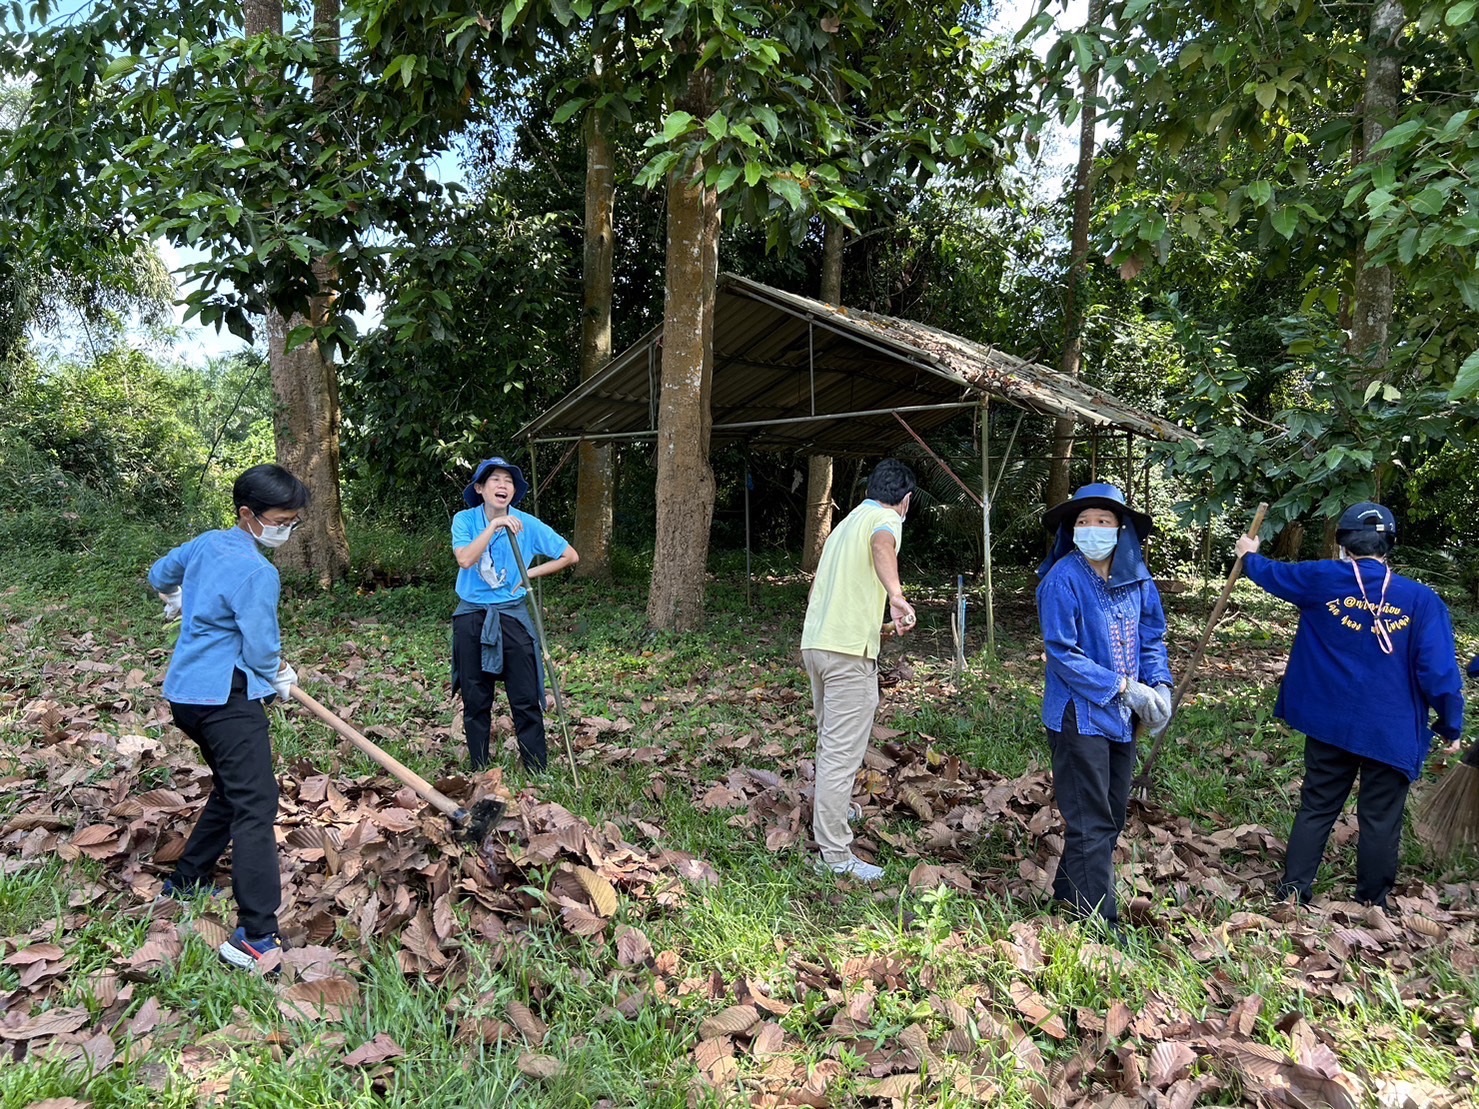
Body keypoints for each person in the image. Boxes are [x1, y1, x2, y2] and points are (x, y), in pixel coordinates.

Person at [1237, 502, 1463, 908]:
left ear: (1341, 543)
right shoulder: (1421, 600)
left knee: (1318, 804)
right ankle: (1372, 903)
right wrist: (1451, 724)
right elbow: (1439, 672)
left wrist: (1248, 554)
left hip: (1330, 723)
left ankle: (1294, 891)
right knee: (1380, 817)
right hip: (1390, 731)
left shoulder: (1321, 578)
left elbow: (1272, 574)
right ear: (1389, 544)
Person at [147, 463, 308, 972]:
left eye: (294, 520)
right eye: (282, 519)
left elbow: (159, 574)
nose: (287, 528)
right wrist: (278, 674)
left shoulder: (205, 543)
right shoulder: (259, 572)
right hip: (226, 701)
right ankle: (257, 935)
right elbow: (261, 647)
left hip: (187, 696)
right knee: (257, 806)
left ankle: (188, 877)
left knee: (231, 787)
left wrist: (174, 596)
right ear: (248, 514)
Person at [1037, 483, 1173, 932]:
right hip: (1080, 714)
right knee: (1091, 816)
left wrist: (1159, 685)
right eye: (1083, 521)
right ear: (1071, 530)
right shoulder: (1062, 579)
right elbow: (1062, 653)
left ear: (1122, 529)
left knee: (1111, 813)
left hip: (1122, 719)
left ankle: (1068, 893)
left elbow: (1152, 637)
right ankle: (1098, 922)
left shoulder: (1138, 579)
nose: (1092, 529)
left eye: (1103, 521)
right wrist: (1122, 687)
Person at [801, 458, 918, 882]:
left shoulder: (846, 524)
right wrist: (897, 596)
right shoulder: (887, 520)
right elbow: (883, 546)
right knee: (839, 752)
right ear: (905, 500)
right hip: (847, 655)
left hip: (817, 645)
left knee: (830, 739)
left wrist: (879, 627)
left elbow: (820, 589)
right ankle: (834, 854)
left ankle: (836, 807)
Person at [451, 457, 578, 773]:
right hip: (472, 617)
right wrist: (495, 525)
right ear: (480, 488)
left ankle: (536, 770)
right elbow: (465, 560)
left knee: (525, 696)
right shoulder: (465, 521)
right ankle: (480, 767)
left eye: (508, 481)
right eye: (495, 480)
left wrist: (529, 574)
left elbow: (569, 555)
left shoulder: (528, 524)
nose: (502, 485)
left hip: (513, 616)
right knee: (476, 698)